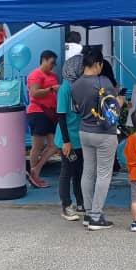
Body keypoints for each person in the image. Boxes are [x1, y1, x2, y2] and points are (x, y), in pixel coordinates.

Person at [71, 47, 126, 230]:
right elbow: (113, 110)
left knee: (88, 172)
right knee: (103, 174)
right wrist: (120, 102)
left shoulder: (75, 84)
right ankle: (96, 216)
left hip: (84, 131)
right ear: (97, 64)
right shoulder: (104, 82)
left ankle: (88, 213)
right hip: (104, 133)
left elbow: (77, 108)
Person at [55, 54, 85, 221]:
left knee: (79, 171)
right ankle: (66, 205)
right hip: (67, 139)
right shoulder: (65, 88)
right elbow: (61, 116)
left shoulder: (80, 86)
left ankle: (81, 202)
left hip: (79, 137)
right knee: (67, 171)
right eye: (82, 67)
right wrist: (66, 142)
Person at [26, 50, 60, 188]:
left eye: (54, 63)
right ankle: (34, 174)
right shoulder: (35, 75)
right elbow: (34, 93)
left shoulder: (53, 76)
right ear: (44, 60)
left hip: (50, 114)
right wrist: (51, 89)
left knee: (54, 145)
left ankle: (36, 170)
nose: (53, 66)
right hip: (38, 112)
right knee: (38, 145)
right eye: (51, 62)